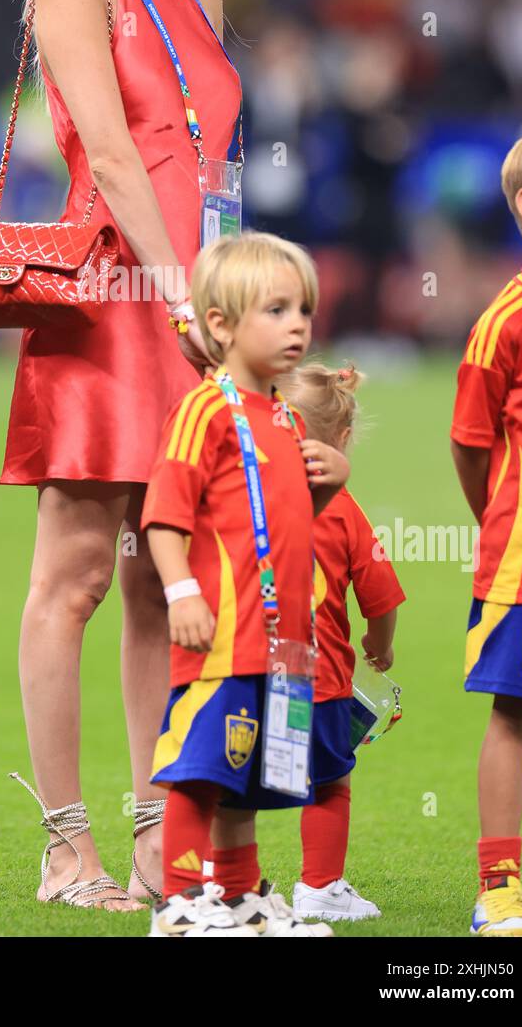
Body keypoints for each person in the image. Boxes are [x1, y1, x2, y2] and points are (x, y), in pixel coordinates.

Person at [1, 0, 242, 911]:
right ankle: (63, 846)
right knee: (76, 575)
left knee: (165, 573)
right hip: (114, 299)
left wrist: (227, 294)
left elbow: (211, 160)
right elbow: (103, 153)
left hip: (195, 296)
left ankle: (156, 839)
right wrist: (178, 293)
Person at [141, 231, 351, 937]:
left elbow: (284, 522)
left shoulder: (287, 419)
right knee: (201, 767)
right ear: (222, 326)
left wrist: (332, 486)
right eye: (277, 310)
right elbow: (164, 513)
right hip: (224, 635)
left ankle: (238, 899)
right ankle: (177, 901)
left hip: (284, 647)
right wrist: (181, 594)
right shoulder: (207, 409)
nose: (297, 325)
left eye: (304, 310)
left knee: (250, 777)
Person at [451, 123, 522, 936]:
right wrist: (501, 517)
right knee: (518, 718)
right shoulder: (506, 320)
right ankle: (498, 890)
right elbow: (470, 442)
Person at [278, 359, 405, 922]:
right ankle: (320, 887)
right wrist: (382, 647)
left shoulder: (246, 498)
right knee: (329, 781)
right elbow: (380, 597)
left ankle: (218, 884)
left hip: (245, 673)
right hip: (322, 681)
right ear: (344, 439)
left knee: (230, 780)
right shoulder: (347, 511)